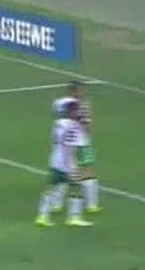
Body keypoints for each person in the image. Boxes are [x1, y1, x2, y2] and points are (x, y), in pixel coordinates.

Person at [36, 100, 93, 227]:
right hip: (69, 163)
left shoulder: (58, 124)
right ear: (73, 112)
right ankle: (74, 218)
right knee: (75, 189)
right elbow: (78, 145)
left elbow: (54, 139)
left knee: (50, 188)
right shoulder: (76, 128)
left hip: (55, 161)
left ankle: (42, 216)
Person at [52, 81, 99, 214]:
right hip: (81, 143)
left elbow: (56, 120)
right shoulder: (83, 105)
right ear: (74, 91)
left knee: (62, 172)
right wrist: (88, 135)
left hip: (63, 143)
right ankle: (91, 205)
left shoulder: (59, 103)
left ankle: (56, 204)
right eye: (81, 90)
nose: (83, 93)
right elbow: (87, 125)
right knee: (86, 172)